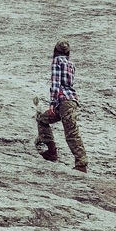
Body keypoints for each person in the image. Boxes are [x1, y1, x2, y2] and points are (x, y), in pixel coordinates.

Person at [36, 40, 88, 172]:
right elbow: (69, 84)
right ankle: (52, 152)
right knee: (43, 119)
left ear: (55, 50)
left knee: (70, 132)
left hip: (62, 102)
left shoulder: (57, 62)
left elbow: (56, 84)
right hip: (71, 101)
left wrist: (52, 103)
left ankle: (80, 164)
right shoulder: (71, 64)